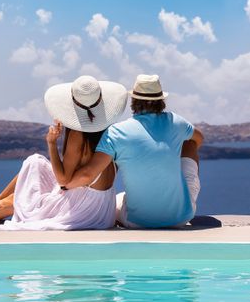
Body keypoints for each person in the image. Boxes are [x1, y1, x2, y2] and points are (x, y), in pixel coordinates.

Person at [0, 75, 128, 230]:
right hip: (101, 208)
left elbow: (63, 181)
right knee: (35, 162)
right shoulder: (109, 133)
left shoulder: (78, 135)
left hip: (83, 212)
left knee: (21, 202)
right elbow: (83, 177)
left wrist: (51, 144)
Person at [65, 74, 203, 228]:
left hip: (138, 222)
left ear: (133, 101)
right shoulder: (176, 121)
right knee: (189, 143)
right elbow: (199, 138)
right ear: (161, 101)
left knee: (119, 200)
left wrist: (66, 185)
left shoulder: (116, 132)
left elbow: (88, 174)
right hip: (180, 218)